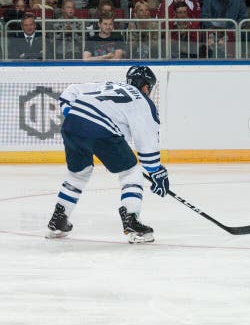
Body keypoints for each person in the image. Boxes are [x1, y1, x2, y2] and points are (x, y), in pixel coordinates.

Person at [46, 66, 169, 243]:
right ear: (146, 87)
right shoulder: (143, 102)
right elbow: (147, 144)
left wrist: (73, 114)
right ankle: (132, 221)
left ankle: (58, 219)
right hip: (101, 130)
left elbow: (70, 91)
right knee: (130, 172)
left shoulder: (107, 85)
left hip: (72, 124)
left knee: (79, 173)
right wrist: (157, 171)